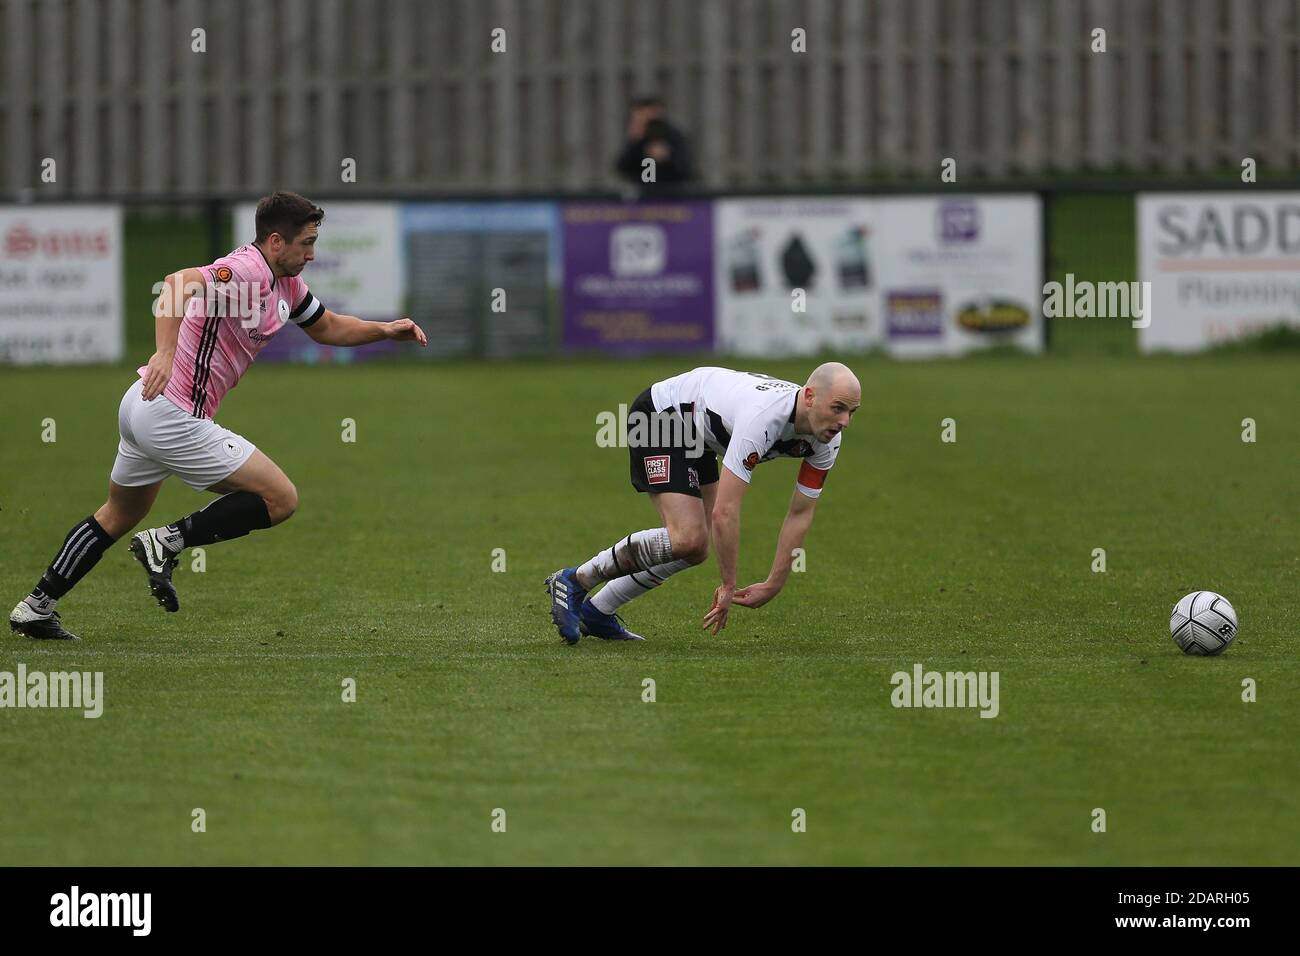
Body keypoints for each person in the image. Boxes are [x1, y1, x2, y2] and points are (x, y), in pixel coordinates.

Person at [8, 191, 428, 640]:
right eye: (306, 243)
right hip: (173, 413)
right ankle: (166, 541)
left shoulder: (284, 282)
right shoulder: (247, 270)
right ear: (275, 241)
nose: (312, 253)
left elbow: (326, 327)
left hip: (144, 407)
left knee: (116, 514)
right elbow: (176, 284)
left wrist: (385, 330)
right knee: (281, 499)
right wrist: (165, 352)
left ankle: (35, 607)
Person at [545, 363, 861, 643]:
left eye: (851, 412)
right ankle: (574, 580)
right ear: (809, 397)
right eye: (838, 408)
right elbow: (726, 511)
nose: (845, 421)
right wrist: (728, 585)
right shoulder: (763, 419)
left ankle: (598, 611)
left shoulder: (827, 438)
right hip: (661, 416)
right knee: (689, 537)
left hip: (702, 436)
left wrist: (774, 584)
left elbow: (800, 513)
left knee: (695, 549)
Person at [614, 95, 693, 194]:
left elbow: (686, 169)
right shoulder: (638, 138)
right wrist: (633, 143)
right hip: (645, 195)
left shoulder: (673, 135)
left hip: (674, 195)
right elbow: (622, 168)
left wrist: (667, 158)